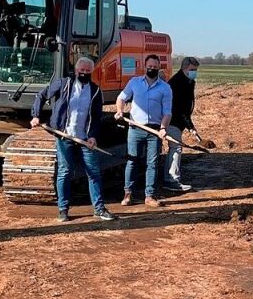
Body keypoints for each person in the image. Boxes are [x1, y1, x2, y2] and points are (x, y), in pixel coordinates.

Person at [30, 57, 116, 223]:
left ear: (91, 72)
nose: (84, 73)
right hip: (64, 136)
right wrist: (36, 115)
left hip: (85, 139)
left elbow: (97, 117)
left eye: (87, 71)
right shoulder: (64, 84)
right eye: (81, 70)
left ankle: (99, 209)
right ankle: (63, 209)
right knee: (65, 171)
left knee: (94, 173)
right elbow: (41, 95)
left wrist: (93, 135)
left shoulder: (95, 91)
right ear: (76, 70)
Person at [116, 54, 172, 207]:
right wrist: (120, 111)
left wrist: (163, 128)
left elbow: (167, 112)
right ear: (145, 67)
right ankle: (128, 194)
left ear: (158, 68)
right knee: (132, 161)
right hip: (135, 128)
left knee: (152, 163)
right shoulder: (134, 83)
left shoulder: (165, 88)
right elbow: (121, 98)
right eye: (150, 67)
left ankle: (149, 196)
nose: (152, 69)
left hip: (154, 131)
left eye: (155, 67)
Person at [164, 56, 201, 192]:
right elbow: (179, 108)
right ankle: (171, 180)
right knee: (176, 148)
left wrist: (190, 127)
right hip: (172, 120)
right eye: (192, 70)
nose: (194, 72)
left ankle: (171, 178)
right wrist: (190, 127)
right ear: (184, 68)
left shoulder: (189, 81)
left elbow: (186, 107)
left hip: (180, 120)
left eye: (196, 70)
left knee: (176, 148)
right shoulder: (177, 83)